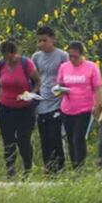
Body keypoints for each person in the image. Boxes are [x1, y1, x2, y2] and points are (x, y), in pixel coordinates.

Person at [0, 40, 40, 178]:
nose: (8, 60)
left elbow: (38, 81)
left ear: (15, 53)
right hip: (6, 107)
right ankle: (10, 171)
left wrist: (31, 93)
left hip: (25, 108)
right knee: (8, 141)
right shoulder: (1, 65)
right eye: (5, 56)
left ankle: (27, 169)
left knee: (23, 139)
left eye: (10, 56)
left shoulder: (26, 63)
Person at [56, 41, 102, 169]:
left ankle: (80, 167)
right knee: (70, 139)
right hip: (67, 108)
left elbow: (98, 88)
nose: (72, 59)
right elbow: (60, 84)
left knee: (78, 138)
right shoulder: (64, 67)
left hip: (84, 108)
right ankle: (74, 165)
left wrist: (98, 106)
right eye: (70, 56)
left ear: (82, 55)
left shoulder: (91, 67)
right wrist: (59, 90)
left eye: (75, 56)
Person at [31, 26, 69, 174]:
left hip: (58, 101)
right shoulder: (36, 57)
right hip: (42, 100)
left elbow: (68, 76)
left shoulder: (62, 56)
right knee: (44, 137)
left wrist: (63, 92)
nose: (41, 44)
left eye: (44, 40)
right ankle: (49, 169)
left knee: (55, 136)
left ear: (53, 39)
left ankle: (60, 167)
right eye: (39, 41)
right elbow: (34, 78)